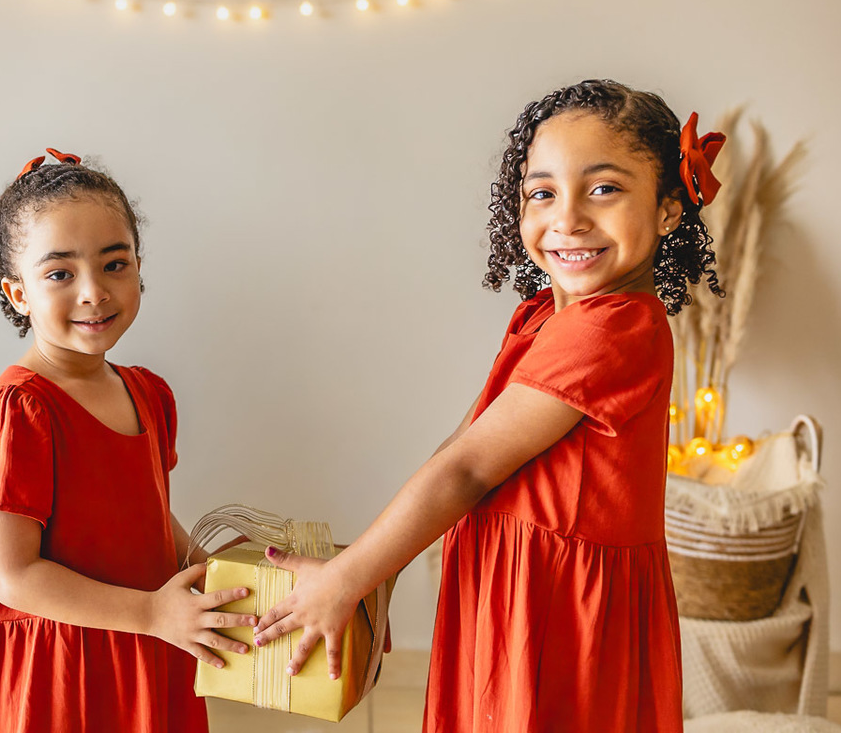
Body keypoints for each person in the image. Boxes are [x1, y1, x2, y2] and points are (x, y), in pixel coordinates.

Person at [253, 80, 726, 732]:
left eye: (604, 188)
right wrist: (371, 571)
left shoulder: (614, 328)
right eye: (543, 192)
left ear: (670, 208)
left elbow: (468, 471)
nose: (568, 218)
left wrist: (345, 580)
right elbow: (459, 445)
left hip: (560, 610)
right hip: (510, 589)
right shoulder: (540, 318)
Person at [0, 149, 253, 732]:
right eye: (60, 273)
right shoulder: (21, 412)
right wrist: (149, 612)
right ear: (18, 294)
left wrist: (207, 571)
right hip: (56, 673)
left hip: (141, 638)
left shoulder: (149, 393)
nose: (94, 291)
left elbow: (149, 515)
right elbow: (13, 577)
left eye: (115, 264)